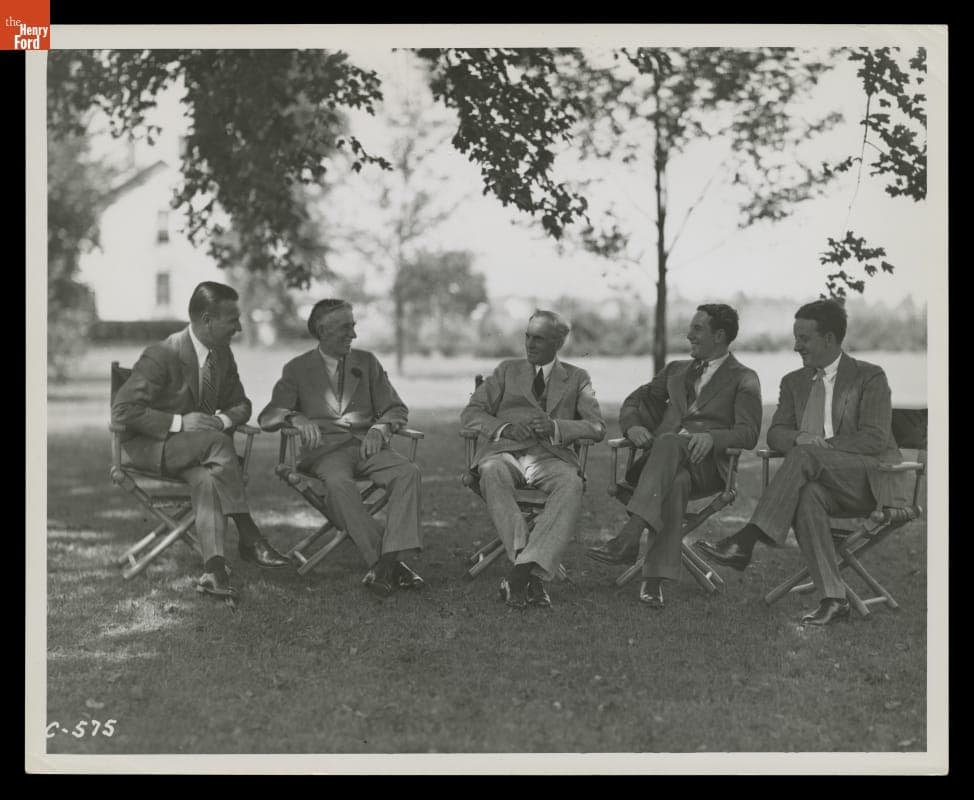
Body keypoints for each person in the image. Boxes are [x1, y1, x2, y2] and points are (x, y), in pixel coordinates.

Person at [696, 299, 910, 626]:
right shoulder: (793, 382)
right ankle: (834, 599)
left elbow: (875, 438)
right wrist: (800, 440)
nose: (796, 346)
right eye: (795, 338)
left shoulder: (869, 377)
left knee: (805, 455)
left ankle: (747, 540)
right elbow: (777, 433)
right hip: (818, 480)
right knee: (807, 495)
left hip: (868, 482)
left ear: (829, 339)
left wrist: (818, 447)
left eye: (804, 339)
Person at [112, 281, 290, 601]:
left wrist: (220, 420)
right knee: (219, 445)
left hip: (198, 452)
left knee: (210, 475)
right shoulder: (162, 354)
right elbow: (123, 411)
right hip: (151, 446)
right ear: (207, 319)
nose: (238, 327)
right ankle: (249, 536)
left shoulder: (222, 355)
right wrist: (180, 422)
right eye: (232, 319)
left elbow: (241, 405)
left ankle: (214, 570)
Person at [586, 304, 762, 608]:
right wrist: (633, 427)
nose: (688, 335)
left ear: (719, 336)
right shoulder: (676, 370)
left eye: (697, 329)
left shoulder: (744, 377)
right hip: (661, 468)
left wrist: (712, 437)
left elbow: (748, 433)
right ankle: (653, 581)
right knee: (675, 482)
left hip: (708, 468)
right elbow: (634, 401)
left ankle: (629, 536)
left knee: (668, 443)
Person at [258, 299, 424, 598]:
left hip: (368, 446)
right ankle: (388, 563)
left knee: (407, 472)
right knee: (338, 484)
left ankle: (385, 566)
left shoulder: (367, 362)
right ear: (322, 330)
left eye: (354, 326)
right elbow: (268, 416)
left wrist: (380, 427)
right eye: (345, 328)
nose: (354, 335)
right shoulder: (297, 369)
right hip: (324, 452)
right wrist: (295, 416)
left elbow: (396, 409)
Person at [461, 309, 605, 609]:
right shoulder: (506, 370)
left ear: (558, 343)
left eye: (538, 338)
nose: (529, 344)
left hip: (550, 456)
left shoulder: (577, 377)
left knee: (571, 483)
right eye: (527, 336)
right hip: (504, 453)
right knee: (491, 472)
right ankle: (532, 574)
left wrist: (556, 427)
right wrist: (504, 427)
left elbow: (596, 427)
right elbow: (471, 413)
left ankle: (518, 574)